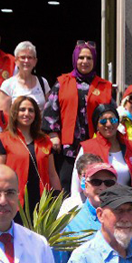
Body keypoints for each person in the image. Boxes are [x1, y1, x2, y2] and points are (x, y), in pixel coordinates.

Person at [45, 40, 114, 183]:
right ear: (75, 59)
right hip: (68, 147)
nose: (85, 61)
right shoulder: (62, 82)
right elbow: (51, 109)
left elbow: (112, 113)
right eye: (81, 57)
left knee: (94, 182)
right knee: (66, 183)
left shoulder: (104, 86)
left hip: (95, 144)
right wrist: (52, 134)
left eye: (89, 58)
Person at [0, 95, 60, 211]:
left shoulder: (45, 140)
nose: (26, 114)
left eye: (31, 110)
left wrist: (58, 198)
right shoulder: (3, 139)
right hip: (13, 202)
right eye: (22, 109)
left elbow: (52, 174)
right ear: (15, 112)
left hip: (42, 203)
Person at [55, 156, 114, 263]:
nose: (102, 187)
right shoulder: (69, 221)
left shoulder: (127, 221)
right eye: (96, 182)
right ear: (86, 185)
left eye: (109, 183)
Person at [81, 104, 132, 196]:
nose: (108, 124)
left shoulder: (130, 146)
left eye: (113, 120)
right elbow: (77, 185)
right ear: (97, 125)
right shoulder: (87, 147)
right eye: (103, 121)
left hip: (126, 202)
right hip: (99, 202)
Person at [0, 42, 47, 115]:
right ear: (16, 61)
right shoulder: (7, 85)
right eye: (23, 57)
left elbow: (49, 110)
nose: (26, 61)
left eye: (30, 57)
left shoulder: (43, 82)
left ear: (35, 61)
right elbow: (4, 115)